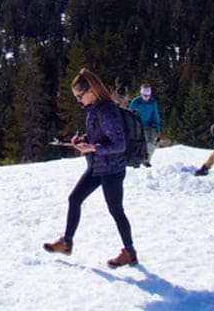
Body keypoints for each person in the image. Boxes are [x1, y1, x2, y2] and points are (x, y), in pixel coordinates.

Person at [43, 68, 138, 268]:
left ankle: (130, 252)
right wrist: (83, 140)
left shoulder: (108, 111)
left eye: (79, 96)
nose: (78, 100)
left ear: (91, 91)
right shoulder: (94, 110)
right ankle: (67, 242)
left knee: (115, 210)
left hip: (112, 169)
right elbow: (100, 137)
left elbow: (119, 144)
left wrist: (92, 147)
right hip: (98, 165)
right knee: (74, 198)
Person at [128, 84, 161, 167]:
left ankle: (146, 160)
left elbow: (155, 115)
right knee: (138, 144)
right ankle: (135, 160)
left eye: (148, 95)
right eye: (145, 95)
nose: (147, 97)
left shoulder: (152, 102)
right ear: (141, 93)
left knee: (150, 143)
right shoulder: (135, 102)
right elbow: (129, 114)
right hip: (137, 126)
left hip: (149, 125)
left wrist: (158, 128)